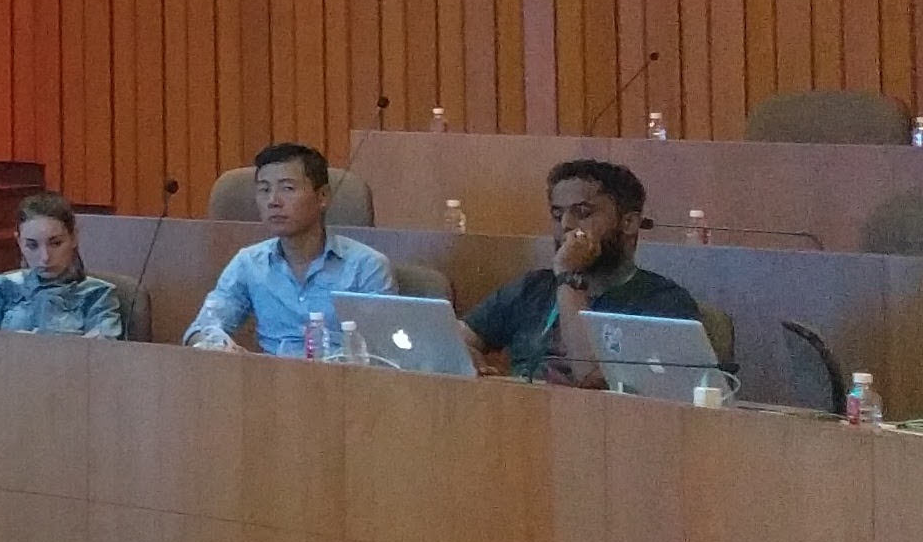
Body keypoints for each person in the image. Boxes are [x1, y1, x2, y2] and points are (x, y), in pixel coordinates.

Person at [462, 158, 724, 383]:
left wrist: (568, 277)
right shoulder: (532, 287)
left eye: (583, 213)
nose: (566, 225)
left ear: (629, 223)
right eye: (557, 215)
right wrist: (467, 357)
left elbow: (590, 377)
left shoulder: (662, 301)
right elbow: (455, 338)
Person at [182, 142, 397, 353]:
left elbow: (385, 351)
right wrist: (216, 347)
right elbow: (201, 329)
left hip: (340, 374)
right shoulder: (249, 263)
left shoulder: (367, 267)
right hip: (270, 374)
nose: (273, 201)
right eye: (264, 190)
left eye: (288, 188)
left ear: (322, 196)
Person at [0, 193, 126, 336]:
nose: (45, 257)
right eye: (32, 246)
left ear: (73, 238)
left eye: (55, 243)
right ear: (19, 242)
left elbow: (102, 352)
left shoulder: (98, 294)